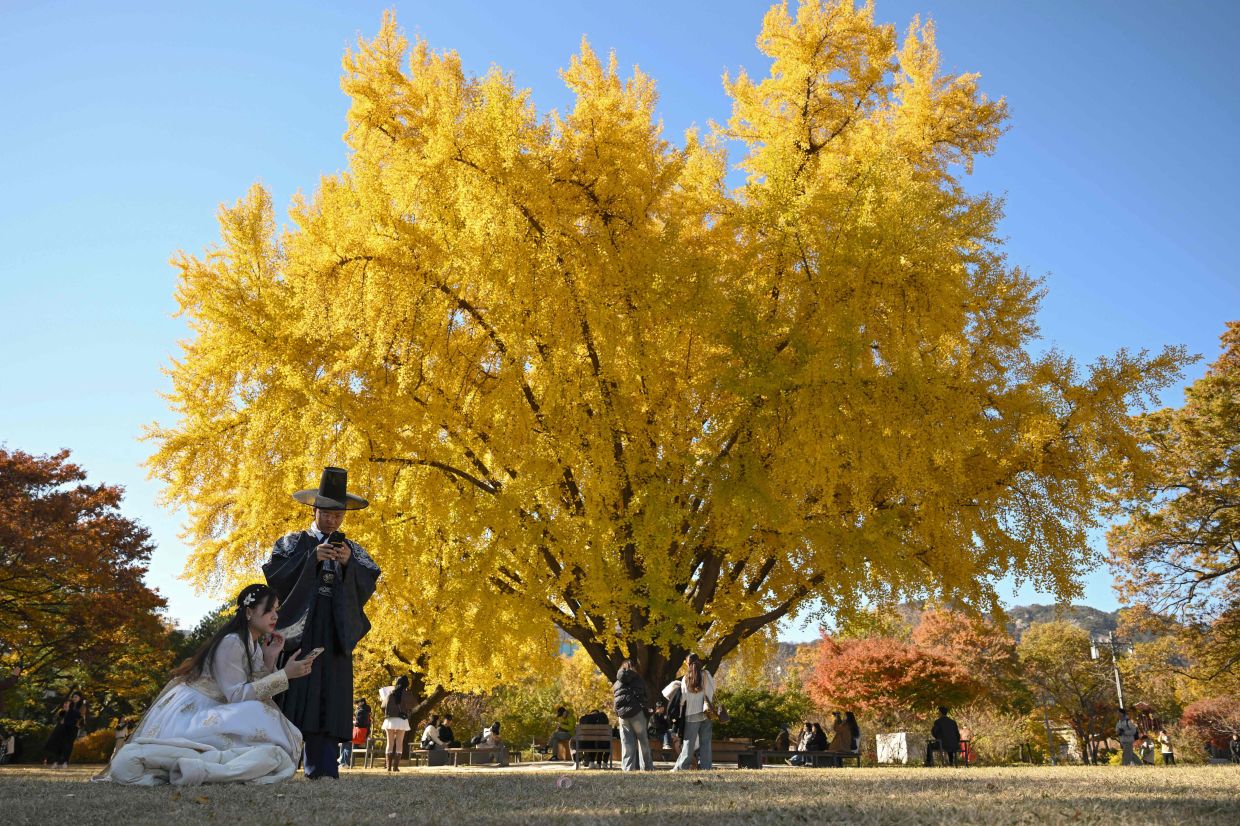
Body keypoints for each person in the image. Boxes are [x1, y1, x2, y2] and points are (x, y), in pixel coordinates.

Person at [103, 583, 313, 786]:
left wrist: (269, 658)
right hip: (198, 707)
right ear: (249, 612)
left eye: (276, 610)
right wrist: (285, 675)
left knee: (259, 713)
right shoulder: (232, 641)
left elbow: (258, 690)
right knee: (255, 713)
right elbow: (238, 695)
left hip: (219, 706)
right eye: (269, 610)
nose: (275, 616)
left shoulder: (252, 643)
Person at [264, 467, 381, 780]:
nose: (332, 520)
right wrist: (311, 559)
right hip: (297, 631)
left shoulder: (352, 550)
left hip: (334, 631)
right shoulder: (291, 544)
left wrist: (347, 565)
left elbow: (368, 584)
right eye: (326, 513)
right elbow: (275, 581)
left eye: (338, 514)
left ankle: (324, 768)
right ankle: (278, 764)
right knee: (291, 692)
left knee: (329, 696)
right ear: (314, 509)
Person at [662, 653, 717, 771]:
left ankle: (682, 766)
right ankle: (706, 767)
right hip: (706, 713)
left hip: (691, 714)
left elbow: (683, 698)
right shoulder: (706, 674)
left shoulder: (686, 677)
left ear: (688, 663)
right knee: (706, 742)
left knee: (688, 743)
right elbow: (712, 691)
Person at [613, 660, 654, 771]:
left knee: (627, 742)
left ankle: (627, 768)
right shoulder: (637, 679)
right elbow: (646, 695)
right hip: (637, 714)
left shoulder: (617, 682)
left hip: (623, 716)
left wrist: (618, 712)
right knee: (643, 741)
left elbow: (615, 700)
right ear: (632, 668)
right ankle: (647, 767)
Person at [378, 675, 414, 771]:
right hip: (401, 720)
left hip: (390, 720)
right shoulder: (407, 694)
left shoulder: (390, 694)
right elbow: (413, 706)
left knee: (389, 743)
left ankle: (388, 767)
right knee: (399, 743)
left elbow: (382, 707)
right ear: (406, 684)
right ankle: (395, 767)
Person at [44, 691, 87, 768]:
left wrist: (69, 711)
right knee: (59, 744)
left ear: (80, 698)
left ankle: (65, 762)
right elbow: (62, 713)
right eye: (73, 697)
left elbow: (80, 716)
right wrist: (64, 712)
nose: (74, 698)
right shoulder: (70, 704)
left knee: (68, 745)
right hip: (64, 727)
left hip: (73, 727)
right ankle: (56, 761)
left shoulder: (82, 706)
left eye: (76, 697)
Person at [340, 698, 371, 767]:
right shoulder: (367, 711)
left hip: (359, 733)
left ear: (362, 702)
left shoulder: (361, 711)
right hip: (364, 733)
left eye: (357, 703)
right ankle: (342, 762)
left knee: (347, 742)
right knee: (345, 742)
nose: (356, 705)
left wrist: (352, 721)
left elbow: (358, 723)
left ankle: (345, 763)